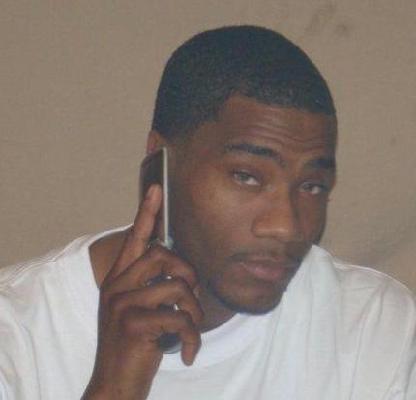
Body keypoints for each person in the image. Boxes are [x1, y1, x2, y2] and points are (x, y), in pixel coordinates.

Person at [0, 25, 415, 400]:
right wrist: (114, 389)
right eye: (246, 177)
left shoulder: (369, 326)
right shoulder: (16, 332)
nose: (286, 226)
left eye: (312, 186)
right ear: (160, 163)